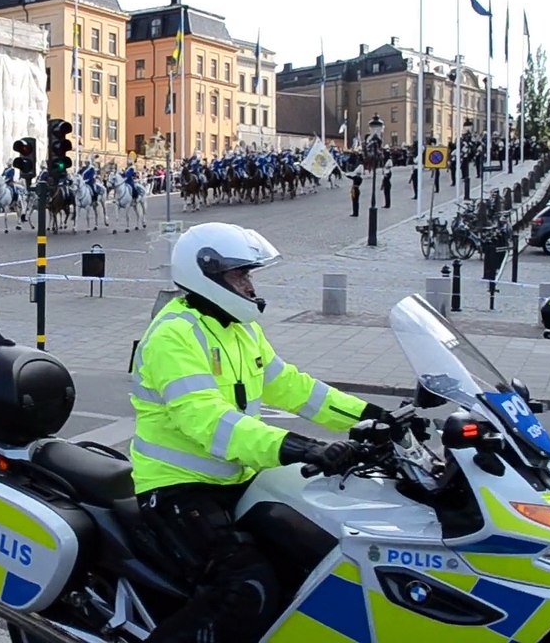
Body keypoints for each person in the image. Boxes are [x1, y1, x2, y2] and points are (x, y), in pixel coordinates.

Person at [131, 222, 390, 643]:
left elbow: (291, 386)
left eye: (249, 275)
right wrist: (299, 447)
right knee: (248, 586)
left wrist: (371, 416)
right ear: (209, 275)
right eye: (241, 275)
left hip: (236, 479)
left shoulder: (239, 327)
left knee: (306, 555)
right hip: (179, 489)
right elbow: (207, 419)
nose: (249, 285)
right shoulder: (174, 334)